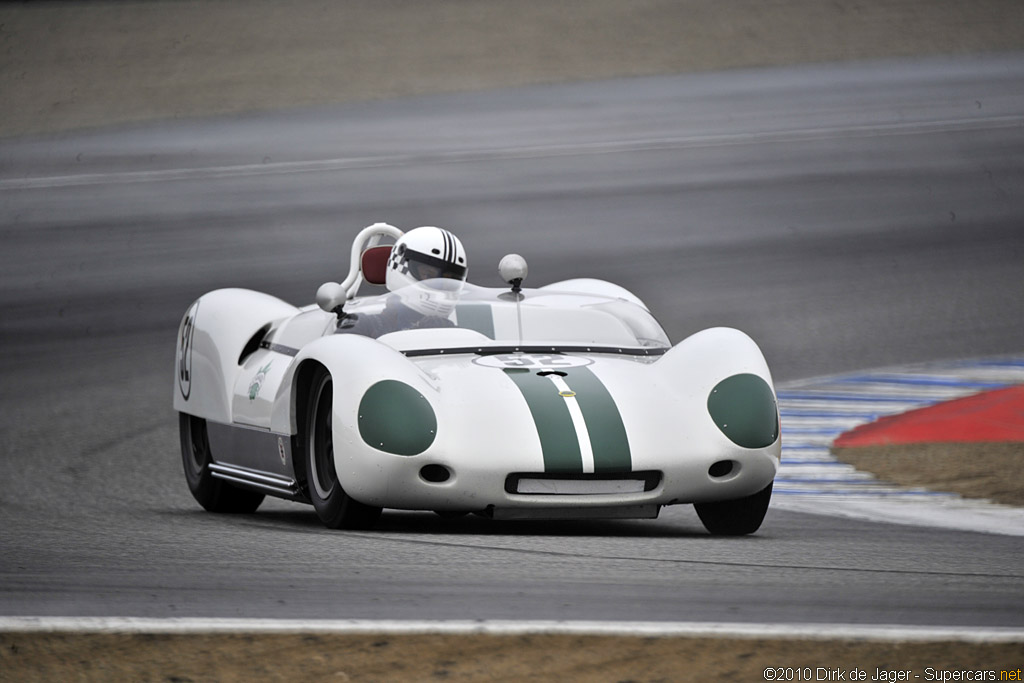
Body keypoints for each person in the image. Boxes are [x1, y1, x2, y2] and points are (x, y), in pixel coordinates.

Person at [336, 226, 468, 339]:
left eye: (450, 281)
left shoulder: (458, 334)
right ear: (400, 265)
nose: (440, 286)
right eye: (429, 275)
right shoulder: (363, 327)